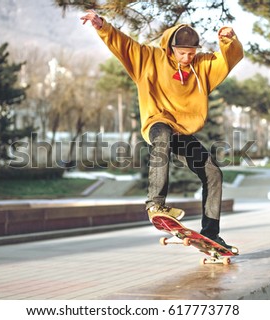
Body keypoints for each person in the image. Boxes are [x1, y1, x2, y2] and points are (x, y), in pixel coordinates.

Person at [80, 10, 243, 249]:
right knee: (163, 135)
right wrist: (102, 25)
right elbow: (123, 45)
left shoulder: (202, 66)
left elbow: (230, 59)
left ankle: (211, 233)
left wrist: (229, 40)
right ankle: (155, 203)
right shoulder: (148, 58)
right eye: (182, 53)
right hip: (157, 124)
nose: (187, 58)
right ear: (171, 48)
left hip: (182, 133)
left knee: (213, 174)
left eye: (191, 53)